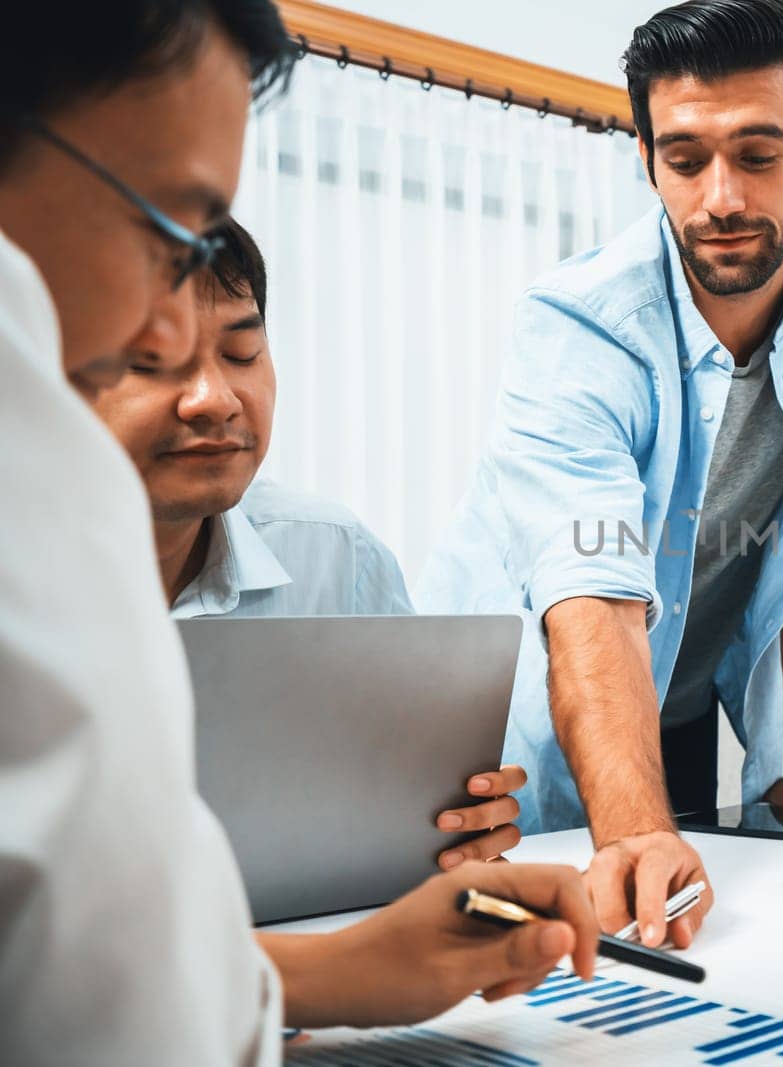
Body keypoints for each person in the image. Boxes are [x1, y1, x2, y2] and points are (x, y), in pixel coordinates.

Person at [0, 4, 598, 1062]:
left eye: (240, 347)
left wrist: (371, 951)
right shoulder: (43, 480)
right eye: (166, 228)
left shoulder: (334, 551)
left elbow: (86, 956)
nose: (177, 345)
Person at [419, 0, 783, 948]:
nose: (719, 197)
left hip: (677, 690)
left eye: (758, 155)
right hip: (522, 724)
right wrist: (638, 829)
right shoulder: (578, 323)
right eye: (684, 160)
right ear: (646, 158)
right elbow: (589, 589)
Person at [88, 215, 525, 870]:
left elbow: (412, 820)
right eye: (152, 360)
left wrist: (454, 830)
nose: (216, 399)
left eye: (241, 354)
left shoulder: (335, 557)